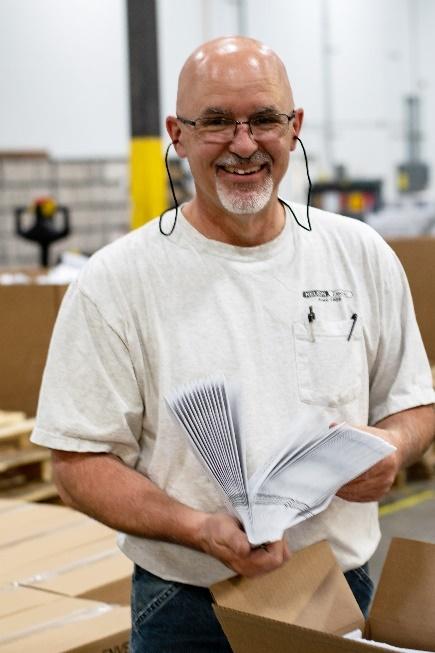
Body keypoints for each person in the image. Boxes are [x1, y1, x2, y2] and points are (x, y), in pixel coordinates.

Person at [31, 36, 434, 652]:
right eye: (216, 121)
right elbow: (78, 461)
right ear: (178, 133)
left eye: (265, 120)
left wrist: (395, 444)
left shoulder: (358, 255)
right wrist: (195, 528)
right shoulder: (117, 282)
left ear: (294, 126)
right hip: (186, 608)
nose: (244, 144)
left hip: (337, 588)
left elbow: (414, 400)